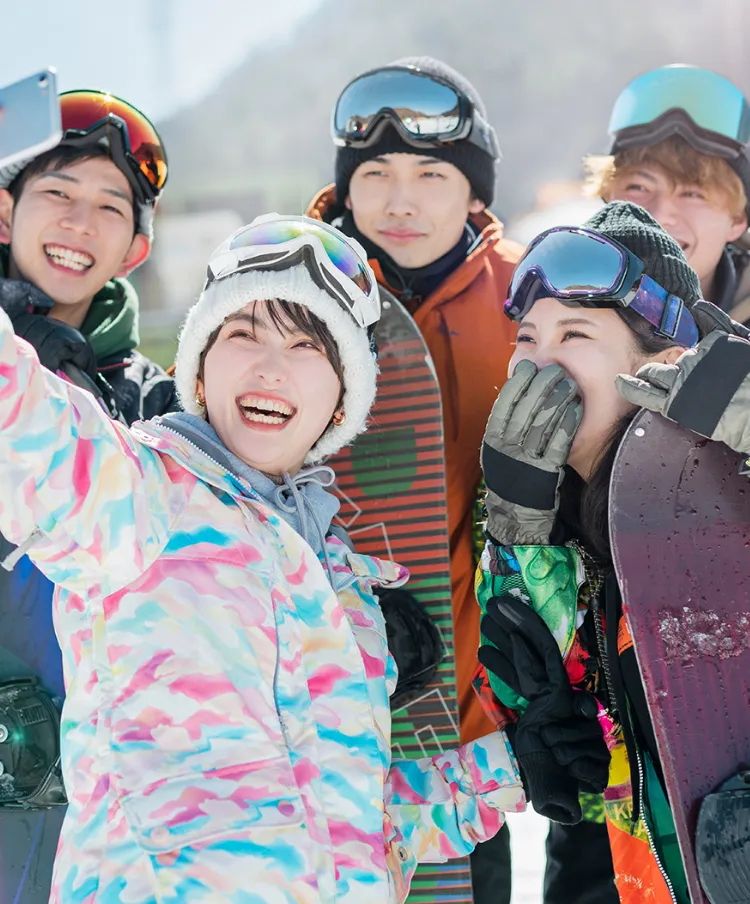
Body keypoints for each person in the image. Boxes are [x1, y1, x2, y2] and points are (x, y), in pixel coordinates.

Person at [0, 214, 533, 903]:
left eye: (307, 345)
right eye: (243, 334)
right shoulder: (137, 497)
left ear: (341, 402)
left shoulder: (343, 586)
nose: (270, 366)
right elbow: (19, 416)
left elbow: (348, 824)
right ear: (200, 369)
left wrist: (512, 770)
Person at [306, 57, 522, 899]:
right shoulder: (289, 296)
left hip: (473, 727)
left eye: (431, 175)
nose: (400, 201)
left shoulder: (529, 303)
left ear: (472, 192)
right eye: (375, 175)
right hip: (324, 720)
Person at [475, 201, 715, 904]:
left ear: (663, 365)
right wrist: (517, 528)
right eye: (526, 336)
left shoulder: (724, 492)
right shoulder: (561, 520)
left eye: (574, 333)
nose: (537, 361)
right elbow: (537, 706)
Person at [0, 89, 176, 902]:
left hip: (99, 794)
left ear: (135, 248)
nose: (80, 223)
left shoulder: (155, 402)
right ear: (6, 213)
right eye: (58, 193)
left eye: (110, 207)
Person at [586, 64, 750, 321]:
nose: (659, 216)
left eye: (693, 194)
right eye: (638, 187)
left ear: (737, 219)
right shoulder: (550, 302)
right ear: (609, 198)